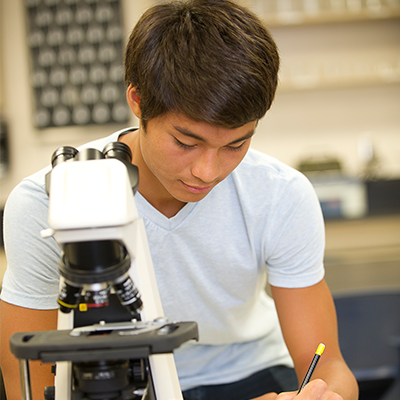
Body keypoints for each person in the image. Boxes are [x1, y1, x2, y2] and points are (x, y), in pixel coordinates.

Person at [0, 1, 358, 399]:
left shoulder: (280, 195)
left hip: (250, 374)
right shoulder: (45, 204)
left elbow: (328, 365)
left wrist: (325, 395)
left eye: (236, 144)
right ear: (137, 101)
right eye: (186, 142)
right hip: (119, 381)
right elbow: (28, 380)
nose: (208, 171)